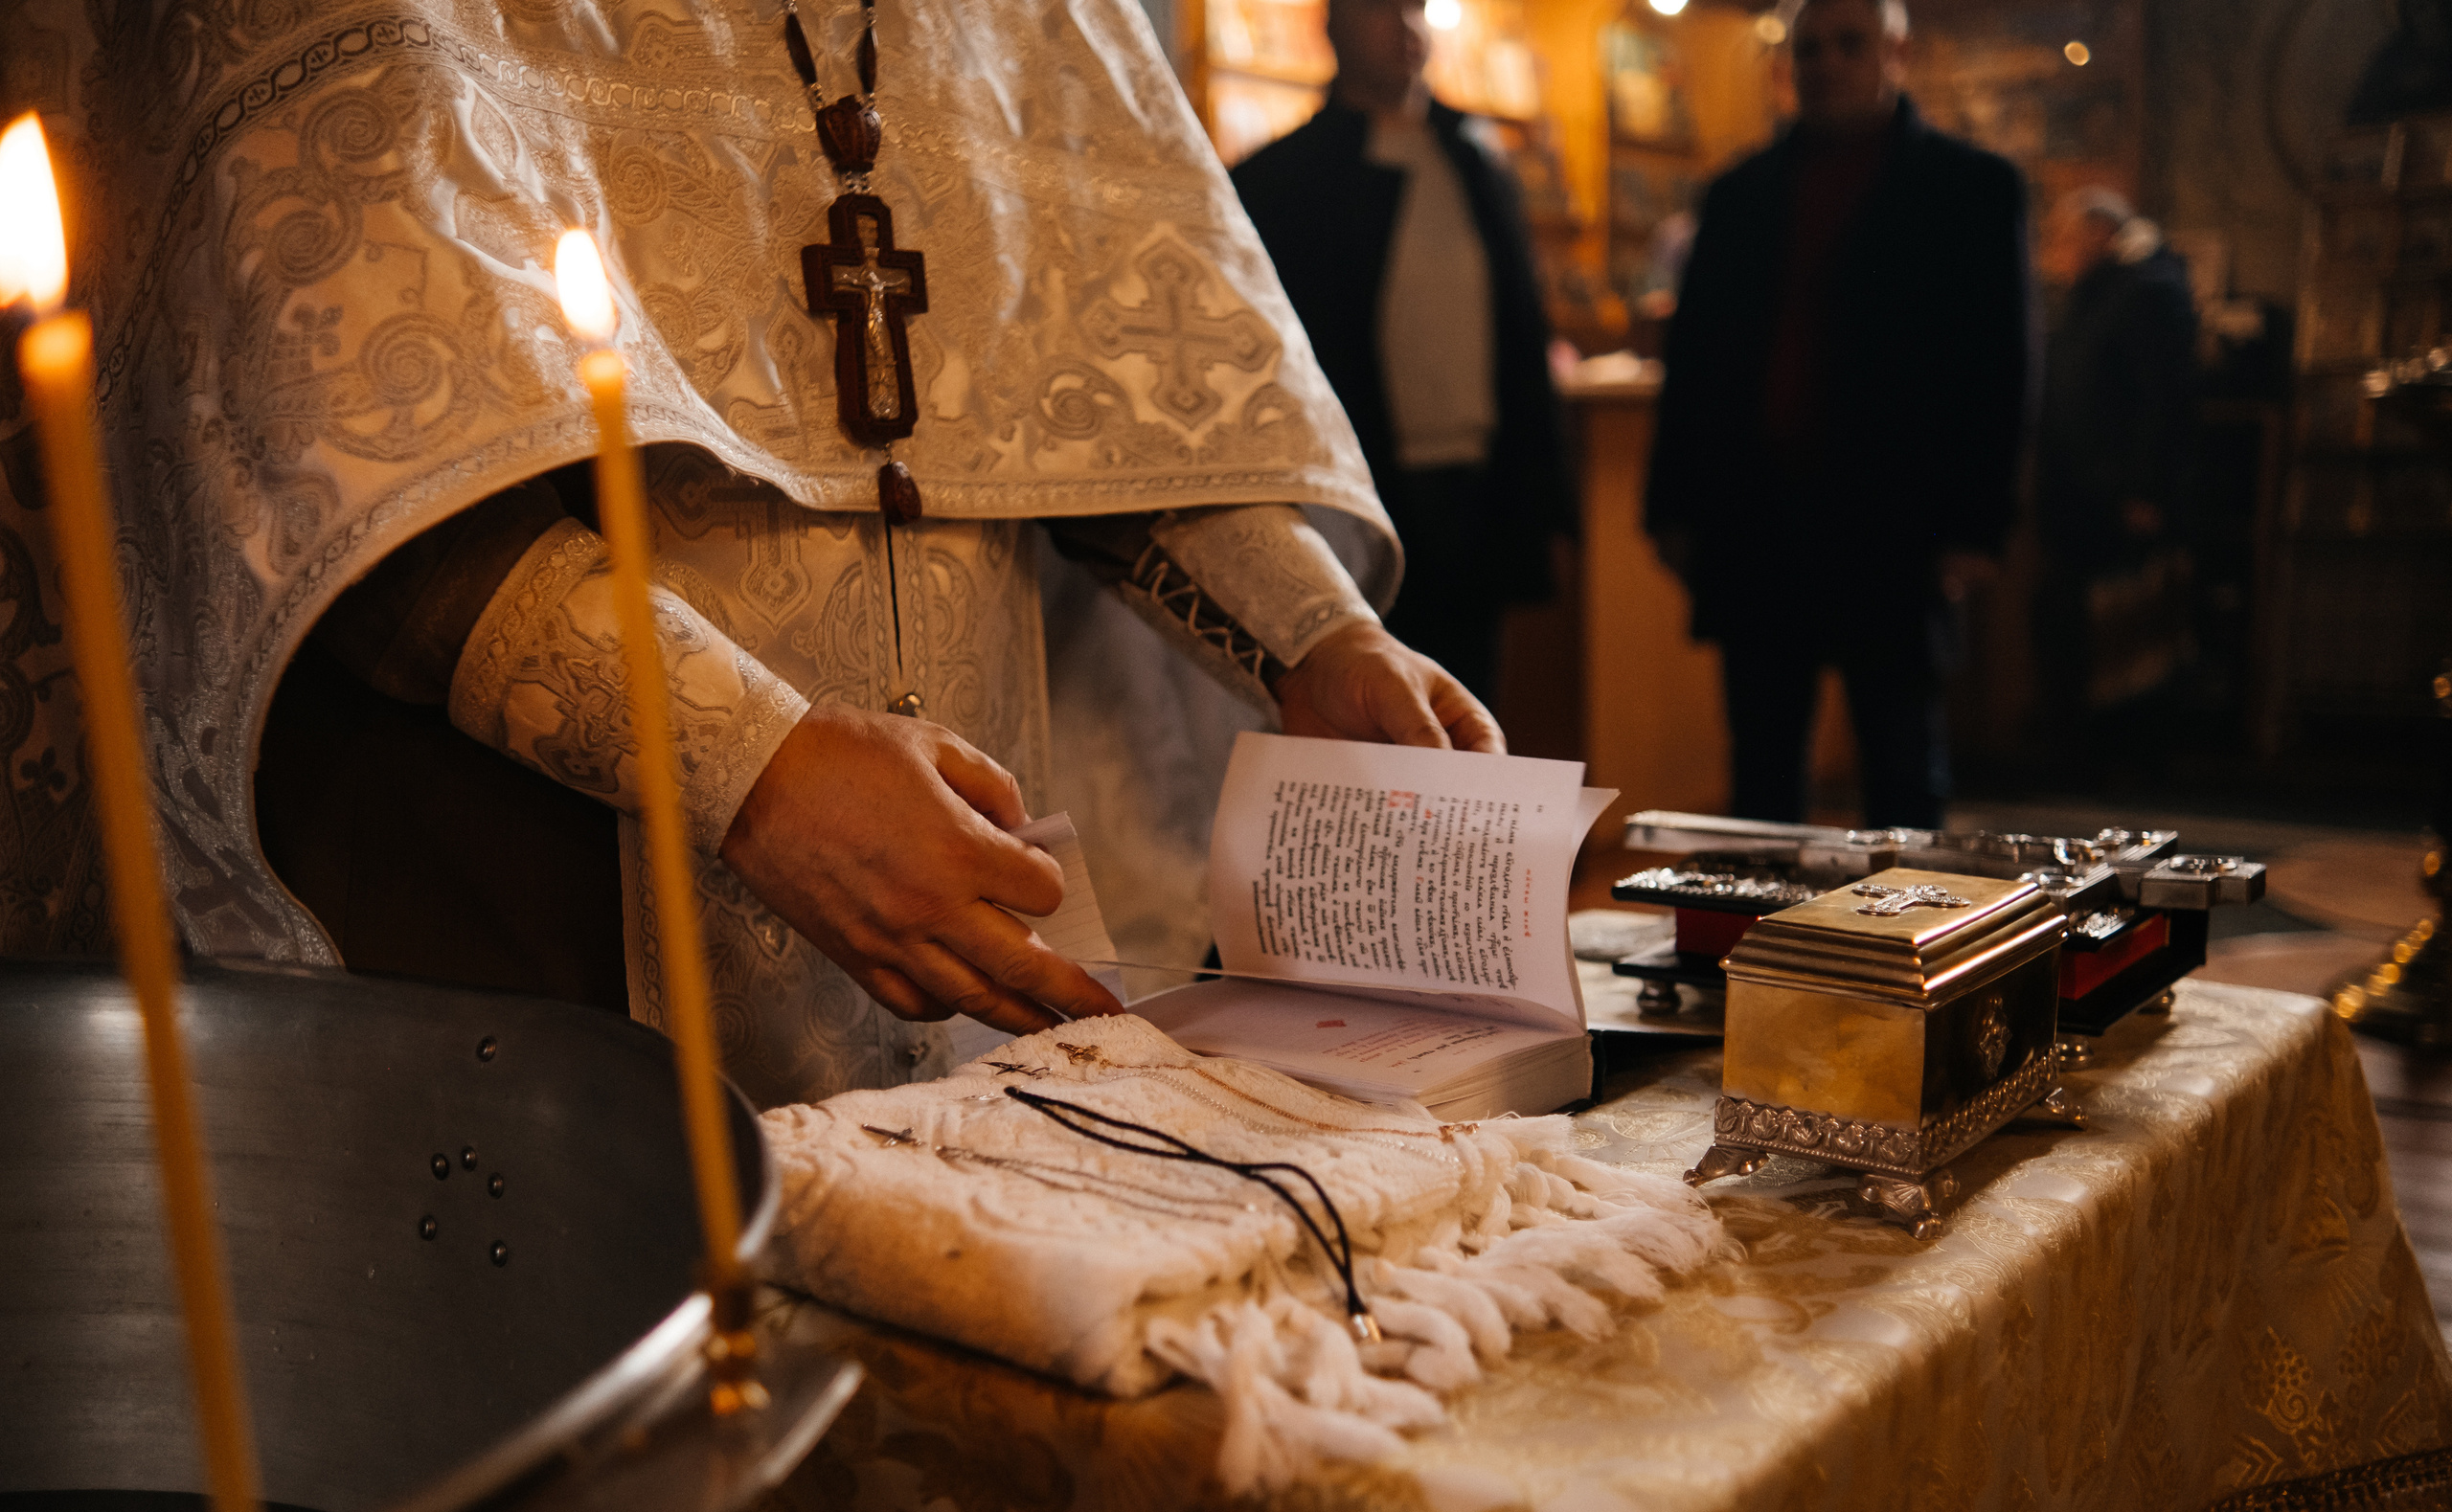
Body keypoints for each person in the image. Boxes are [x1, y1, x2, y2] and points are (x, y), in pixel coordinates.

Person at [0, 0, 1500, 1106]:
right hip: (531, 920)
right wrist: (746, 761)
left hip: (993, 876)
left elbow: (1100, 388)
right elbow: (301, 437)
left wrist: (1315, 638)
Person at [1645, 0, 2032, 829]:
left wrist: (1976, 523)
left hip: (1898, 520)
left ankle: (1906, 948)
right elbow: (1698, 362)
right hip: (1759, 516)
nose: (1825, 64)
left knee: (1900, 769)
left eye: (1849, 45)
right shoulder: (1741, 192)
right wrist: (1672, 506)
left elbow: (1998, 368)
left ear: (1897, 52)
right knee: (1760, 774)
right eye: (1809, 48)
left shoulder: (1972, 191)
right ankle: (1748, 947)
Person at [1231, 0, 1579, 709]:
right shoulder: (1280, 181)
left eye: (1417, 8)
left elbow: (1521, 335)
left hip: (1478, 487)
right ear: (1334, 27)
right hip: (1355, 497)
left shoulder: (1477, 160)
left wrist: (1549, 500)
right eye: (1383, 9)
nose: (1408, 26)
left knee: (1471, 706)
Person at [2032, 187, 2198, 769]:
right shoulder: (2098, 293)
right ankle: (2083, 748)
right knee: (2083, 619)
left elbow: (2162, 401)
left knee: (2128, 622)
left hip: (2119, 493)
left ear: (2101, 234)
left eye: (2065, 237)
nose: (2054, 251)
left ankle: (2125, 755)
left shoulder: (2148, 291)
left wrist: (2144, 489)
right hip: (2081, 489)